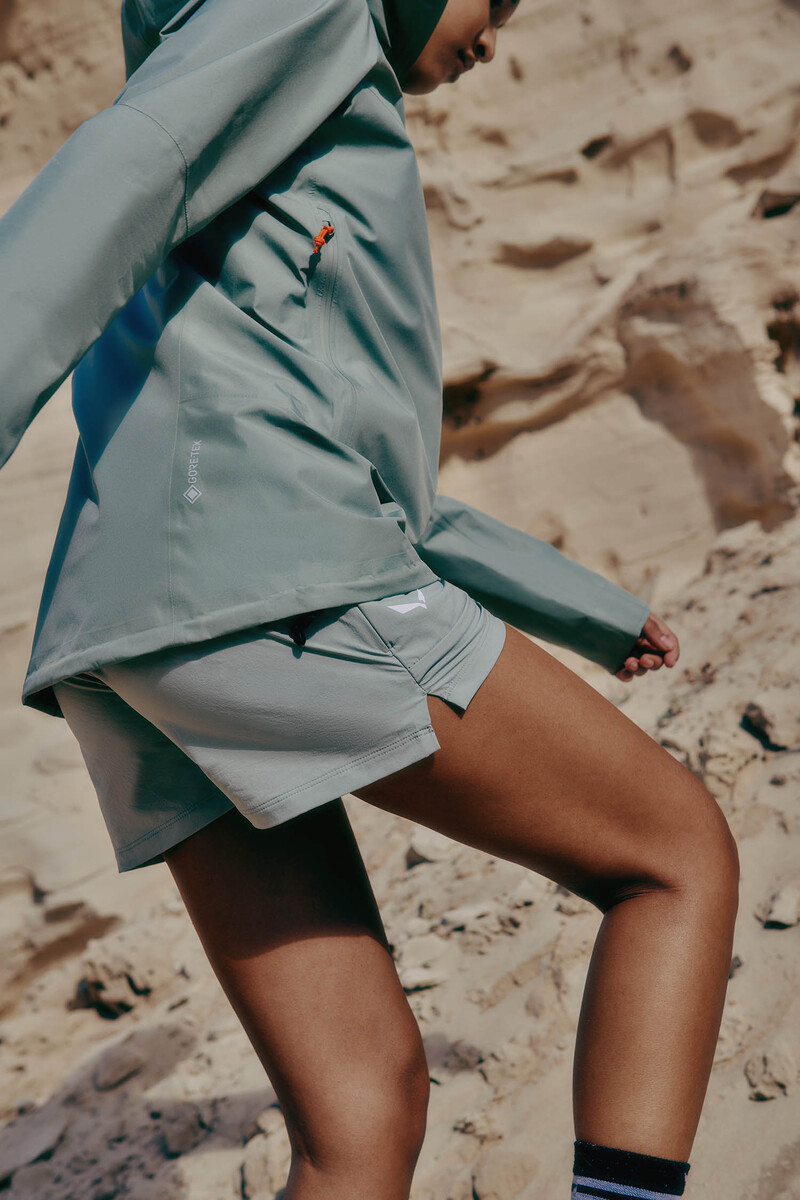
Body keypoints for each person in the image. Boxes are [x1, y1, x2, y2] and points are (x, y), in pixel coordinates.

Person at [0, 1, 739, 1197]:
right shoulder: (313, 7)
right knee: (674, 855)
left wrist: (584, 609)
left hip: (126, 641)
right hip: (264, 572)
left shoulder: (257, 91)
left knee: (359, 1113)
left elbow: (382, 485)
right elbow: (120, 171)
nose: (493, 39)